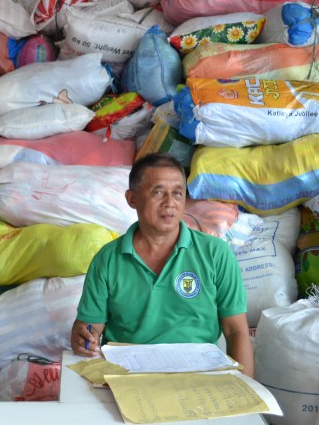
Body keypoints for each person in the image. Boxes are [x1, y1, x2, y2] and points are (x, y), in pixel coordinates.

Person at [70, 152, 254, 377]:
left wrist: (245, 390)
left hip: (200, 376)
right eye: (158, 192)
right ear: (132, 199)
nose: (170, 203)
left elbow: (236, 332)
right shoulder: (108, 259)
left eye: (177, 193)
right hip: (128, 376)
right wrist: (82, 338)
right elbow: (90, 329)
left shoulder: (215, 253)